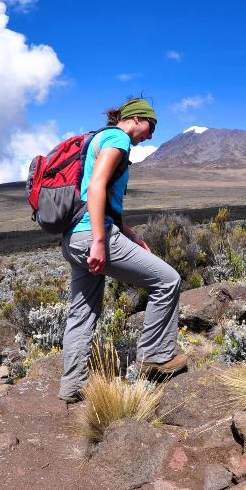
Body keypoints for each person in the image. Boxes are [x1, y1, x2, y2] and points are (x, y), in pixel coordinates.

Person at [58, 98, 187, 403]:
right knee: (167, 281)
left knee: (83, 312)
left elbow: (108, 205)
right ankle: (156, 357)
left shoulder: (97, 137)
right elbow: (97, 187)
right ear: (137, 118)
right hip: (93, 235)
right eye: (151, 127)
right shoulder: (117, 138)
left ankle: (72, 387)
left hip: (74, 237)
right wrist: (101, 241)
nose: (151, 135)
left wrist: (131, 235)